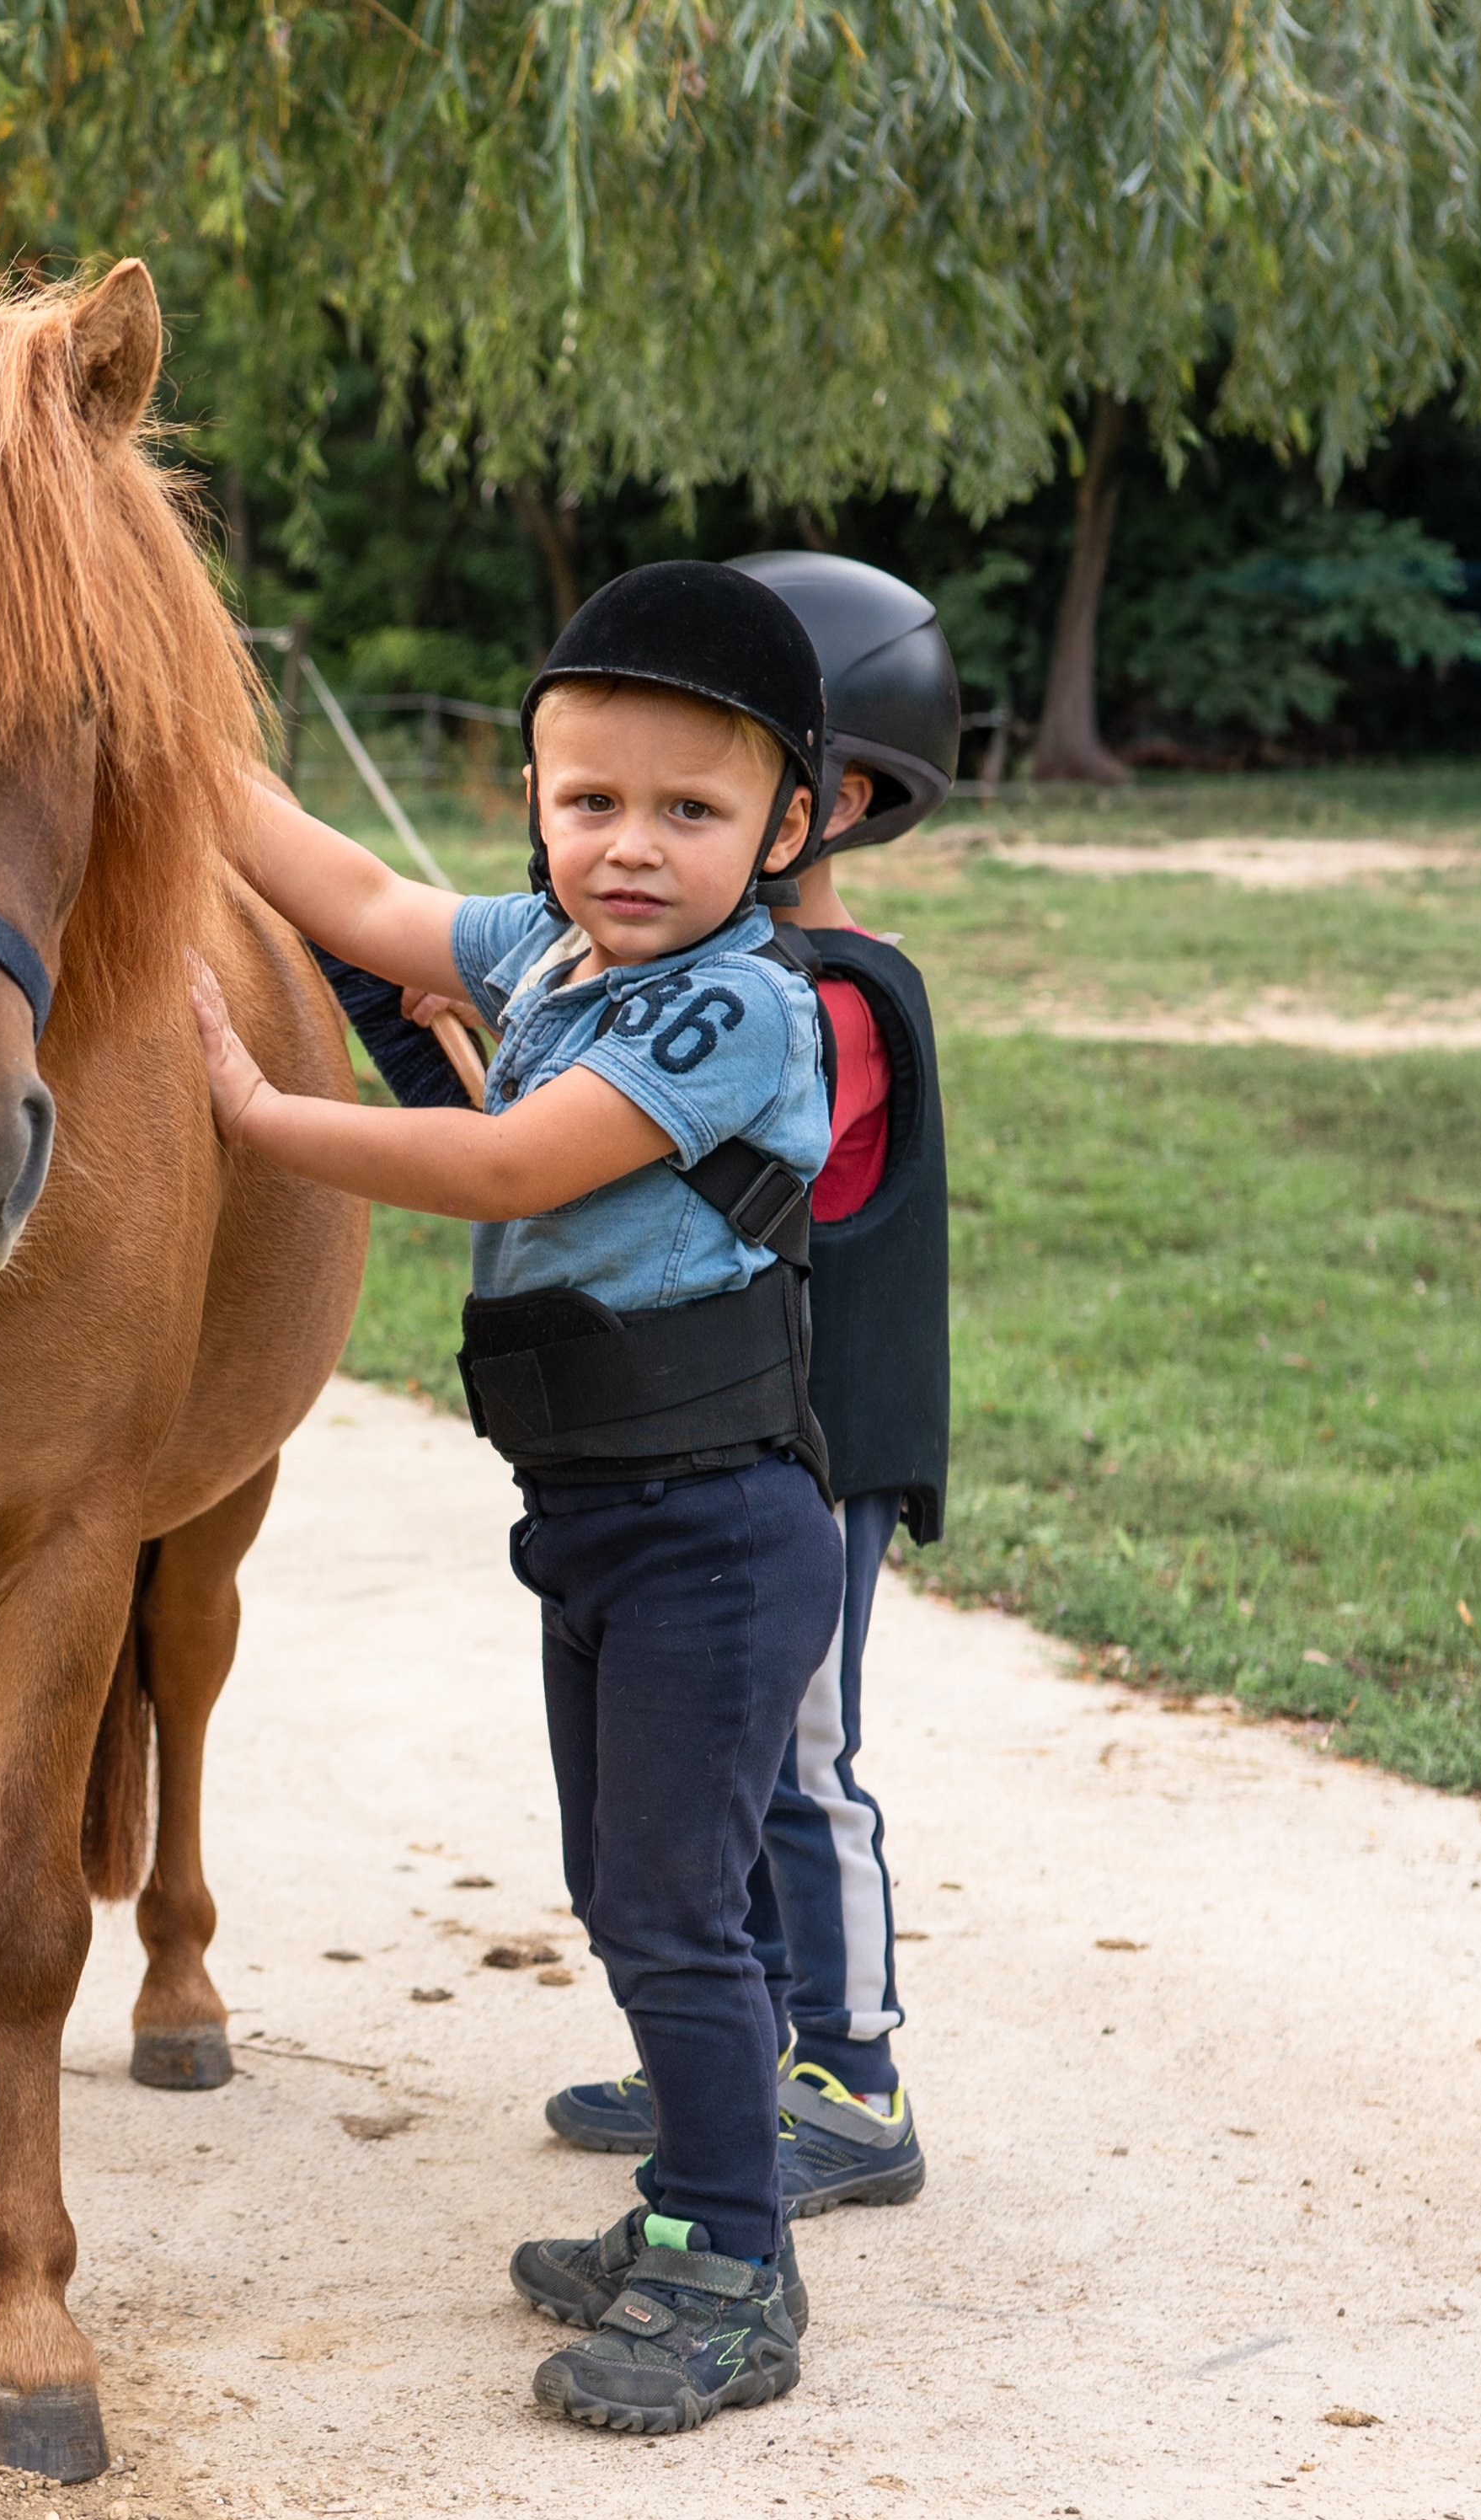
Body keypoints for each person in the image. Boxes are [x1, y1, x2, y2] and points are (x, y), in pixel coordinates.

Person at [190, 559, 845, 2435]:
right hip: (605, 1524)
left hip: (718, 1531)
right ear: (541, 805)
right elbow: (353, 890)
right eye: (589, 803)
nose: (629, 848)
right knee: (628, 1890)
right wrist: (168, 727)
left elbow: (502, 1164)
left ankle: (735, 2262)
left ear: (784, 827)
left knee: (670, 1908)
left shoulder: (734, 1012)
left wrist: (255, 1114)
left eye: (689, 810)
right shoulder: (557, 954)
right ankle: (690, 2202)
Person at [540, 552, 960, 2221]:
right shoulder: (703, 988)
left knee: (799, 1753)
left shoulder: (823, 1002)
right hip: (739, 1435)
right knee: (711, 1768)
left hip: (819, 1442)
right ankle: (720, 2030)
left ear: (828, 797)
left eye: (704, 779)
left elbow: (626, 1162)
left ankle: (849, 2068)